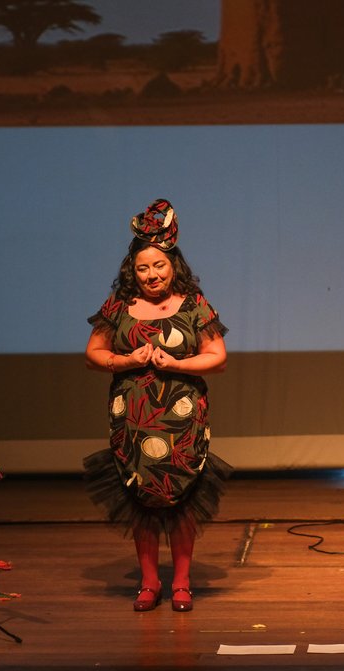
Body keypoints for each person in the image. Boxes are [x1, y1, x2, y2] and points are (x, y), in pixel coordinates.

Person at [83, 198, 231, 612]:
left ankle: (181, 582)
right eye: (143, 268)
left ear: (174, 265)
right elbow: (93, 353)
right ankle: (149, 583)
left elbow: (217, 357)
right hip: (133, 420)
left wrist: (178, 363)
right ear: (132, 271)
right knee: (140, 499)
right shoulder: (118, 307)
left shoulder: (194, 305)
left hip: (181, 420)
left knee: (181, 499)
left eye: (159, 266)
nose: (151, 274)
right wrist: (126, 360)